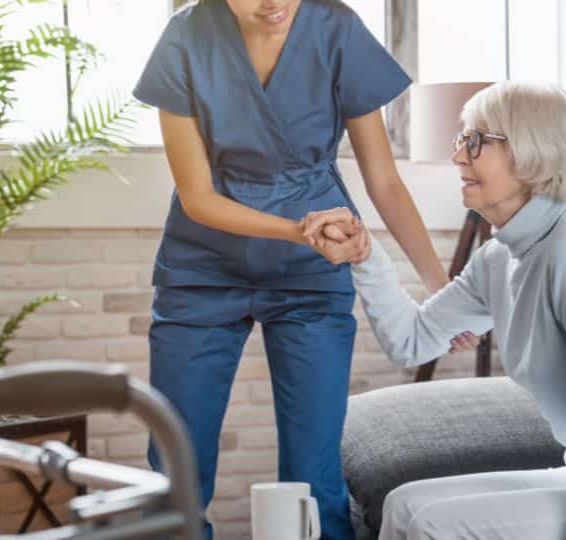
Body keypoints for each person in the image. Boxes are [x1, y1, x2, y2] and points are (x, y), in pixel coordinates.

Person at [305, 81, 566, 540]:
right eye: (461, 140)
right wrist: (365, 257)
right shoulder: (500, 257)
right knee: (406, 504)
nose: (458, 157)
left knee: (432, 525)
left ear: (533, 153)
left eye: (476, 142)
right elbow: (411, 341)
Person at [133, 1, 477, 538]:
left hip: (311, 272)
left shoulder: (335, 28)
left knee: (315, 478)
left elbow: (383, 180)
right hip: (203, 268)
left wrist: (440, 291)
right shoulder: (185, 38)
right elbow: (198, 198)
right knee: (175, 468)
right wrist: (298, 229)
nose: (275, 3)